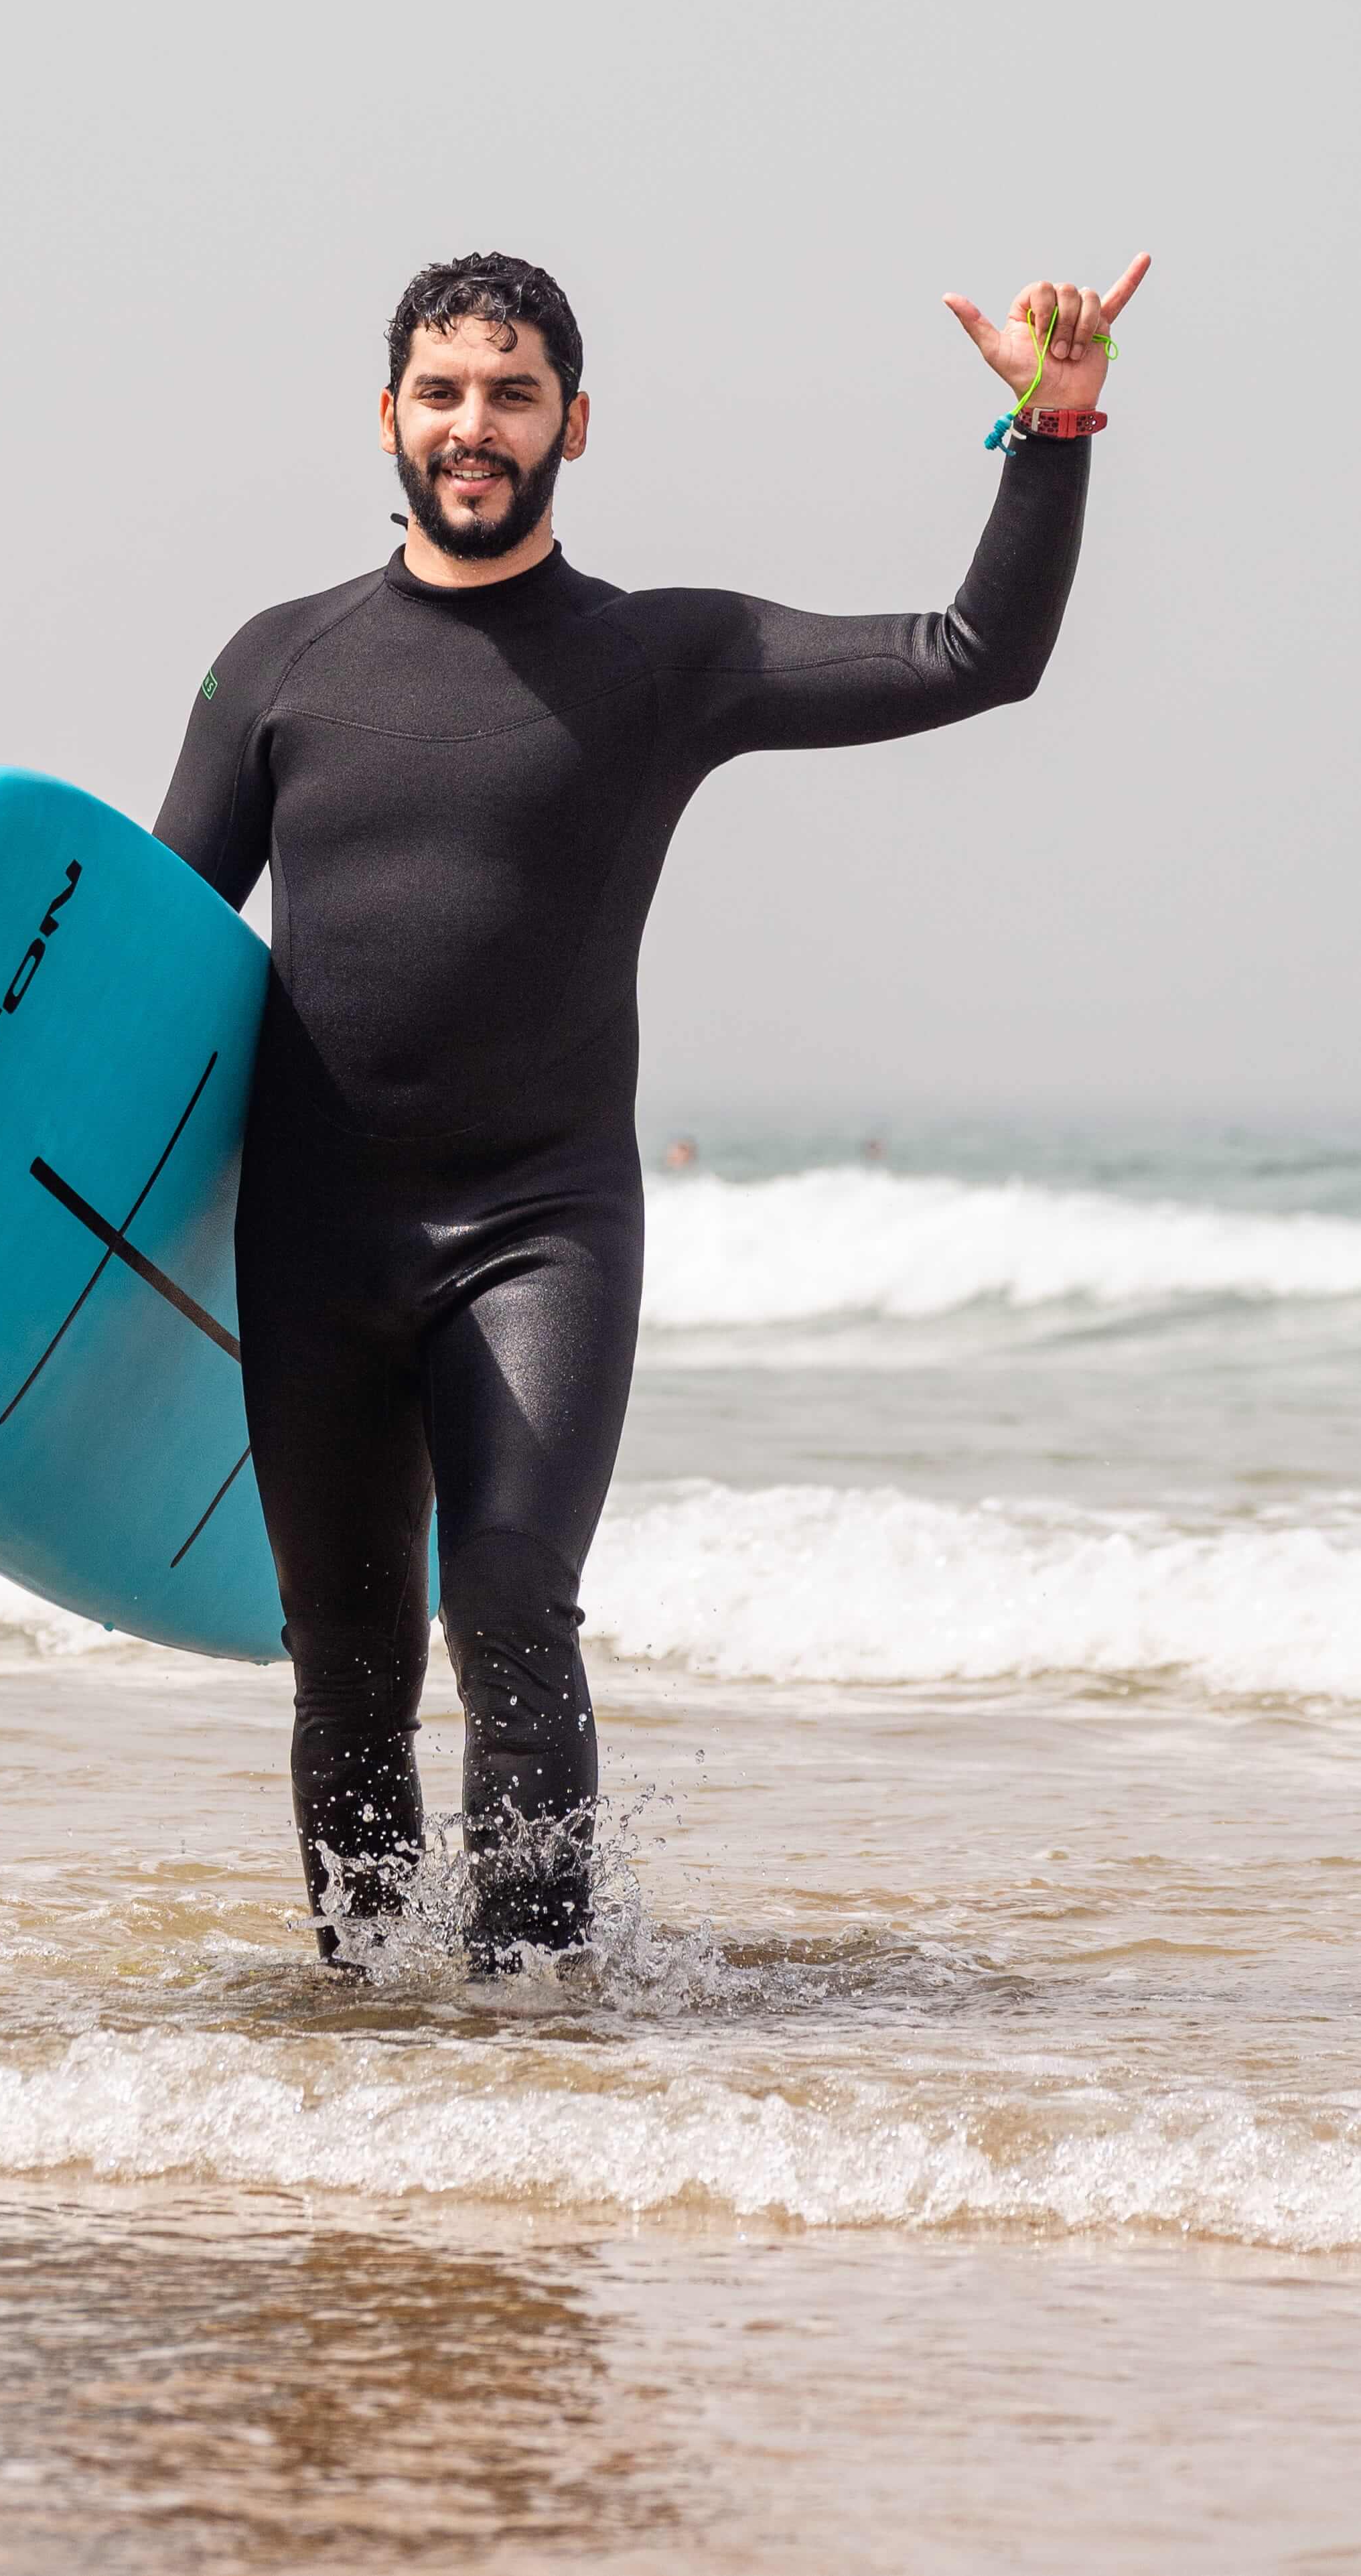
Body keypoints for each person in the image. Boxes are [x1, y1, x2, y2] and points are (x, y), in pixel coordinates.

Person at [155, 245, 1149, 1966]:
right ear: (387, 417)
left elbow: (976, 654)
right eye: (443, 392)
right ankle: (369, 2032)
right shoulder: (277, 667)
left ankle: (541, 2028)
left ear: (575, 423)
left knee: (510, 1607)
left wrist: (1050, 430)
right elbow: (157, 958)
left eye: (513, 393)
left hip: (537, 1227)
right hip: (313, 1235)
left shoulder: (656, 657)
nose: (475, 426)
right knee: (350, 1668)